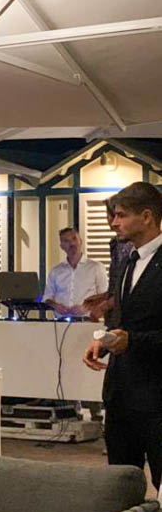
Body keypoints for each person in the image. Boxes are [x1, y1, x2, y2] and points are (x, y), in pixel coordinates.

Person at [83, 182, 162, 487]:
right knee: (118, 486)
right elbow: (123, 318)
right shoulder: (129, 259)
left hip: (155, 397)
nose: (114, 222)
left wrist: (132, 341)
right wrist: (103, 341)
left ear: (147, 216)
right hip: (120, 394)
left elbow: (135, 332)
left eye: (121, 215)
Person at [84, 198, 134, 325]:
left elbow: (130, 288)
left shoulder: (128, 245)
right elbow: (120, 283)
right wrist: (104, 296)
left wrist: (104, 307)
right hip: (115, 317)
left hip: (125, 319)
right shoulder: (116, 243)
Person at [42, 227, 108, 317]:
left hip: (87, 321)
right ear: (62, 246)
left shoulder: (96, 267)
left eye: (74, 239)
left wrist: (87, 308)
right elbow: (47, 298)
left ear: (80, 241)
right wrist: (56, 306)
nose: (72, 243)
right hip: (60, 321)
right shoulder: (55, 271)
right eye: (66, 241)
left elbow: (104, 297)